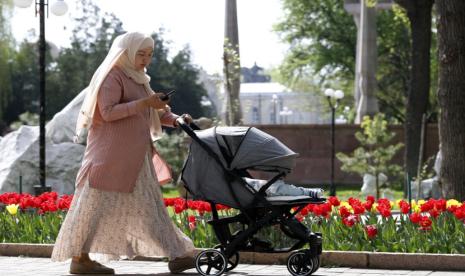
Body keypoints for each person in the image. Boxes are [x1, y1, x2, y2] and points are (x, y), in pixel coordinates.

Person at [51, 32, 196, 274]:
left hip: (136, 157)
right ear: (126, 51)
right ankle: (80, 260)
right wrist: (145, 103)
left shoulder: (139, 79)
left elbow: (152, 113)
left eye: (149, 54)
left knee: (151, 206)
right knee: (93, 208)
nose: (145, 59)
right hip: (109, 159)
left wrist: (177, 119)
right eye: (140, 53)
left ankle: (178, 254)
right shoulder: (112, 76)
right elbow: (107, 112)